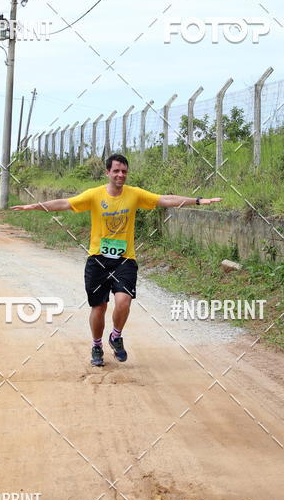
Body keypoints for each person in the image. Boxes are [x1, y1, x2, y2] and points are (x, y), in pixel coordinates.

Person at [12, 153, 221, 367]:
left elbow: (165, 199)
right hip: (98, 260)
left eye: (124, 171)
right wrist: (35, 206)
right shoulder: (94, 195)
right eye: (116, 171)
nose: (120, 175)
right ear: (107, 172)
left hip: (124, 260)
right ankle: (96, 345)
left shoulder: (134, 194)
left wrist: (198, 200)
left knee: (123, 301)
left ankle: (116, 336)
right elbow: (65, 203)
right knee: (99, 307)